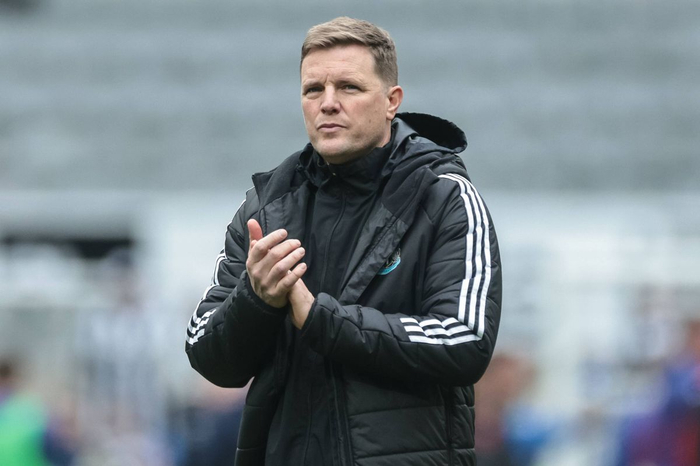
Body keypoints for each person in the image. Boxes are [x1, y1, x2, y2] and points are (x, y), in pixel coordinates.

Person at [185, 17, 502, 466]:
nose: (328, 103)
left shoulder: (445, 198)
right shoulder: (264, 208)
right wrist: (256, 300)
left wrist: (323, 320)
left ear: (392, 101)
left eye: (349, 87)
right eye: (313, 89)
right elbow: (208, 356)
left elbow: (465, 340)